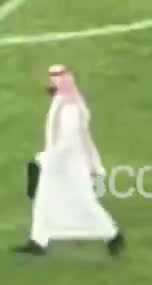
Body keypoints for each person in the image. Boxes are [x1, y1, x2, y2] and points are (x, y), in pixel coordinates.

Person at [16, 65, 124, 257]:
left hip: (68, 165)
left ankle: (112, 235)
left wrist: (45, 159)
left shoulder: (70, 108)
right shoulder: (63, 102)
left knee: (83, 201)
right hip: (60, 163)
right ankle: (38, 241)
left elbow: (68, 141)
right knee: (44, 201)